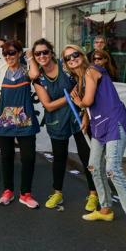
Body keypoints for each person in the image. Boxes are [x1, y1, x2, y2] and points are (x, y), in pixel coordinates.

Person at [65, 45, 126, 246]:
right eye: (67, 58)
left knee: (113, 170)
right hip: (99, 127)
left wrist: (77, 102)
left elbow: (88, 100)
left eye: (75, 54)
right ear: (66, 64)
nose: (72, 59)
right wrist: (85, 116)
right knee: (93, 166)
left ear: (82, 56)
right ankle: (106, 209)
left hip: (114, 123)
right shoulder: (80, 80)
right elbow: (90, 104)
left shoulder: (92, 71)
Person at [27, 39, 98, 211]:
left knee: (87, 155)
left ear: (51, 52)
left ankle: (94, 194)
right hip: (57, 121)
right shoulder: (39, 79)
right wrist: (68, 98)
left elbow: (84, 80)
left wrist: (85, 114)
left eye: (45, 52)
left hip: (78, 117)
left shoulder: (66, 66)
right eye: (38, 54)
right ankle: (57, 192)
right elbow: (48, 105)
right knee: (59, 158)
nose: (42, 56)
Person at [0, 40, 40, 207]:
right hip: (4, 121)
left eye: (12, 53)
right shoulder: (0, 72)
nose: (8, 56)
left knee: (28, 158)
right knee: (6, 157)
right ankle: (8, 191)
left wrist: (30, 57)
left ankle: (25, 194)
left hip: (25, 121)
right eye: (5, 53)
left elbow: (35, 75)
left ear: (19, 53)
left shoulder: (25, 71)